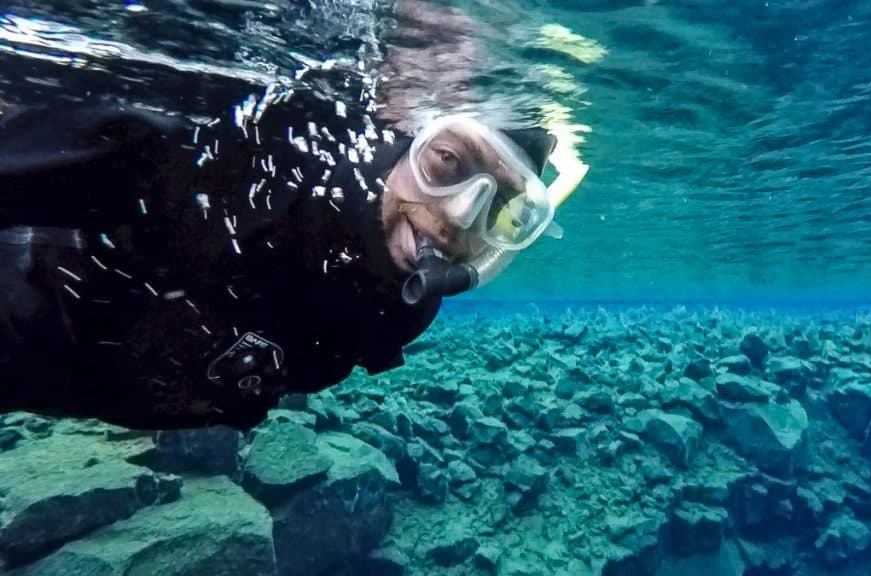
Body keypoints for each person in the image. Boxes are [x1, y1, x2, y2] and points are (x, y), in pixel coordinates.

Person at [0, 32, 588, 431]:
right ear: (403, 142)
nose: (462, 217)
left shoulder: (403, 305)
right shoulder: (233, 163)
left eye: (507, 210)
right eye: (447, 162)